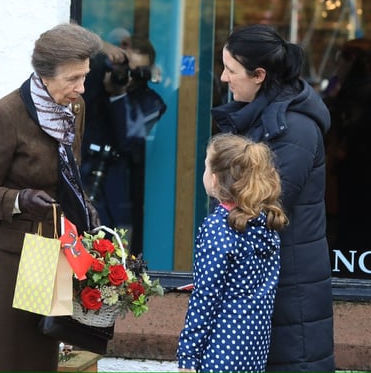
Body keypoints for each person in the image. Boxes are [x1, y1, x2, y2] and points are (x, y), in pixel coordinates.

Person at [0, 22, 102, 372]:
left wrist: (84, 206)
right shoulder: (5, 115)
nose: (81, 88)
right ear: (44, 74)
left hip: (45, 250)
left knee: (36, 356)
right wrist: (22, 199)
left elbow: (69, 173)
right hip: (1, 257)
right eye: (73, 79)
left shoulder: (76, 108)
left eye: (84, 77)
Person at [211, 24, 334, 372]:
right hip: (270, 285)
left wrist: (215, 188)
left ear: (259, 75)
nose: (223, 78)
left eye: (231, 70)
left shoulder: (292, 129)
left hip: (290, 294)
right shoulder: (262, 118)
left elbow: (263, 208)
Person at [177, 133, 287, 373]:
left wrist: (188, 356)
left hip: (219, 350)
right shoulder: (266, 223)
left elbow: (205, 298)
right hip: (255, 348)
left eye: (206, 165)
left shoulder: (218, 227)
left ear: (215, 179)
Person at [81, 35, 166, 254]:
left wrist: (118, 96)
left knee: (110, 245)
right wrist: (102, 51)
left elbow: (129, 140)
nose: (127, 77)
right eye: (125, 69)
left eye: (136, 73)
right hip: (83, 170)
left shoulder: (150, 102)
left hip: (116, 185)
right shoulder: (93, 84)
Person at [322, 38, 371, 258]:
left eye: (339, 62)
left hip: (354, 172)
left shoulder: (354, 94)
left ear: (351, 61)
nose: (336, 68)